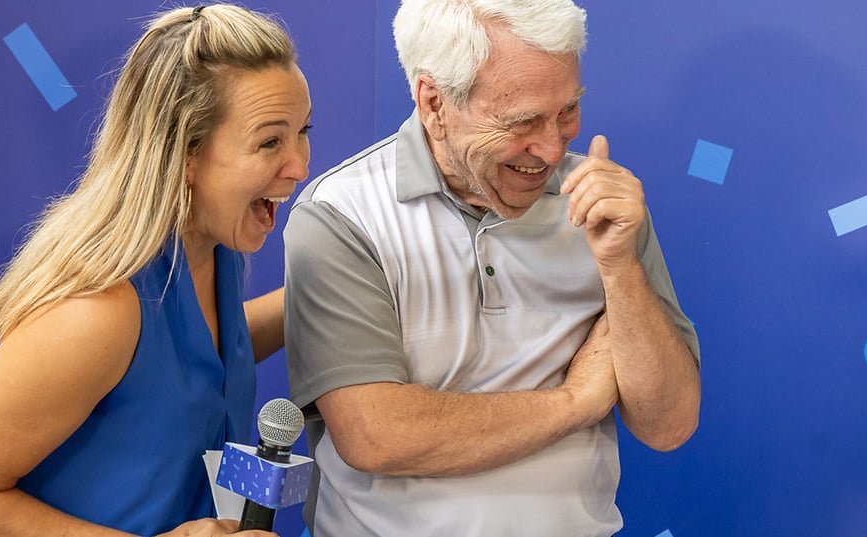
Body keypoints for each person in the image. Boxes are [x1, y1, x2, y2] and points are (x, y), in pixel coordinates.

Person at [283, 0, 701, 535]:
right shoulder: (342, 213)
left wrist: (620, 269)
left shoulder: (602, 203)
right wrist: (576, 401)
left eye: (568, 111)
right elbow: (376, 434)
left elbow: (669, 426)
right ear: (433, 103)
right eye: (523, 120)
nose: (551, 150)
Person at [0, 4, 310, 536]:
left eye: (303, 131)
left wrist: (321, 299)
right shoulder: (97, 310)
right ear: (185, 154)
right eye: (270, 142)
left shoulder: (215, 252)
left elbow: (195, 363)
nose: (301, 165)